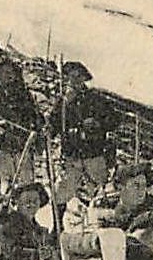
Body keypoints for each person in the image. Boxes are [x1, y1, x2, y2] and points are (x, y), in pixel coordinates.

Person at [50, 60, 118, 212]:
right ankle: (57, 228)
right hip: (71, 156)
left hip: (94, 154)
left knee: (102, 192)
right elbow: (53, 125)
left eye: (77, 77)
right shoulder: (62, 103)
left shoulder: (95, 98)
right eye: (70, 77)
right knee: (60, 193)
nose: (74, 80)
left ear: (83, 79)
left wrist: (97, 124)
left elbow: (113, 120)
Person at [0, 57, 41, 197]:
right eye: (4, 72)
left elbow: (35, 115)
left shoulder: (24, 94)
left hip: (23, 144)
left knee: (26, 183)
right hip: (1, 143)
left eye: (11, 72)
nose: (8, 76)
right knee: (5, 182)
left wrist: (40, 128)